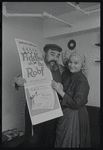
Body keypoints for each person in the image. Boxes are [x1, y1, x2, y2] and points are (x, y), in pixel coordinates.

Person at [13, 44, 65, 148]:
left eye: (57, 55)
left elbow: (73, 76)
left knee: (50, 139)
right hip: (35, 110)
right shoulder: (33, 64)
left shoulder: (61, 69)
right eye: (52, 54)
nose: (55, 58)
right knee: (33, 139)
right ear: (45, 54)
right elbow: (20, 78)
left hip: (52, 110)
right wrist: (17, 82)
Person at [52, 51, 91, 148]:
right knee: (61, 141)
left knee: (70, 143)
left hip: (75, 115)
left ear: (82, 65)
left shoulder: (82, 80)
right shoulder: (66, 73)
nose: (72, 65)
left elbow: (76, 104)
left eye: (76, 63)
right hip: (63, 112)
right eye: (70, 62)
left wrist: (61, 91)